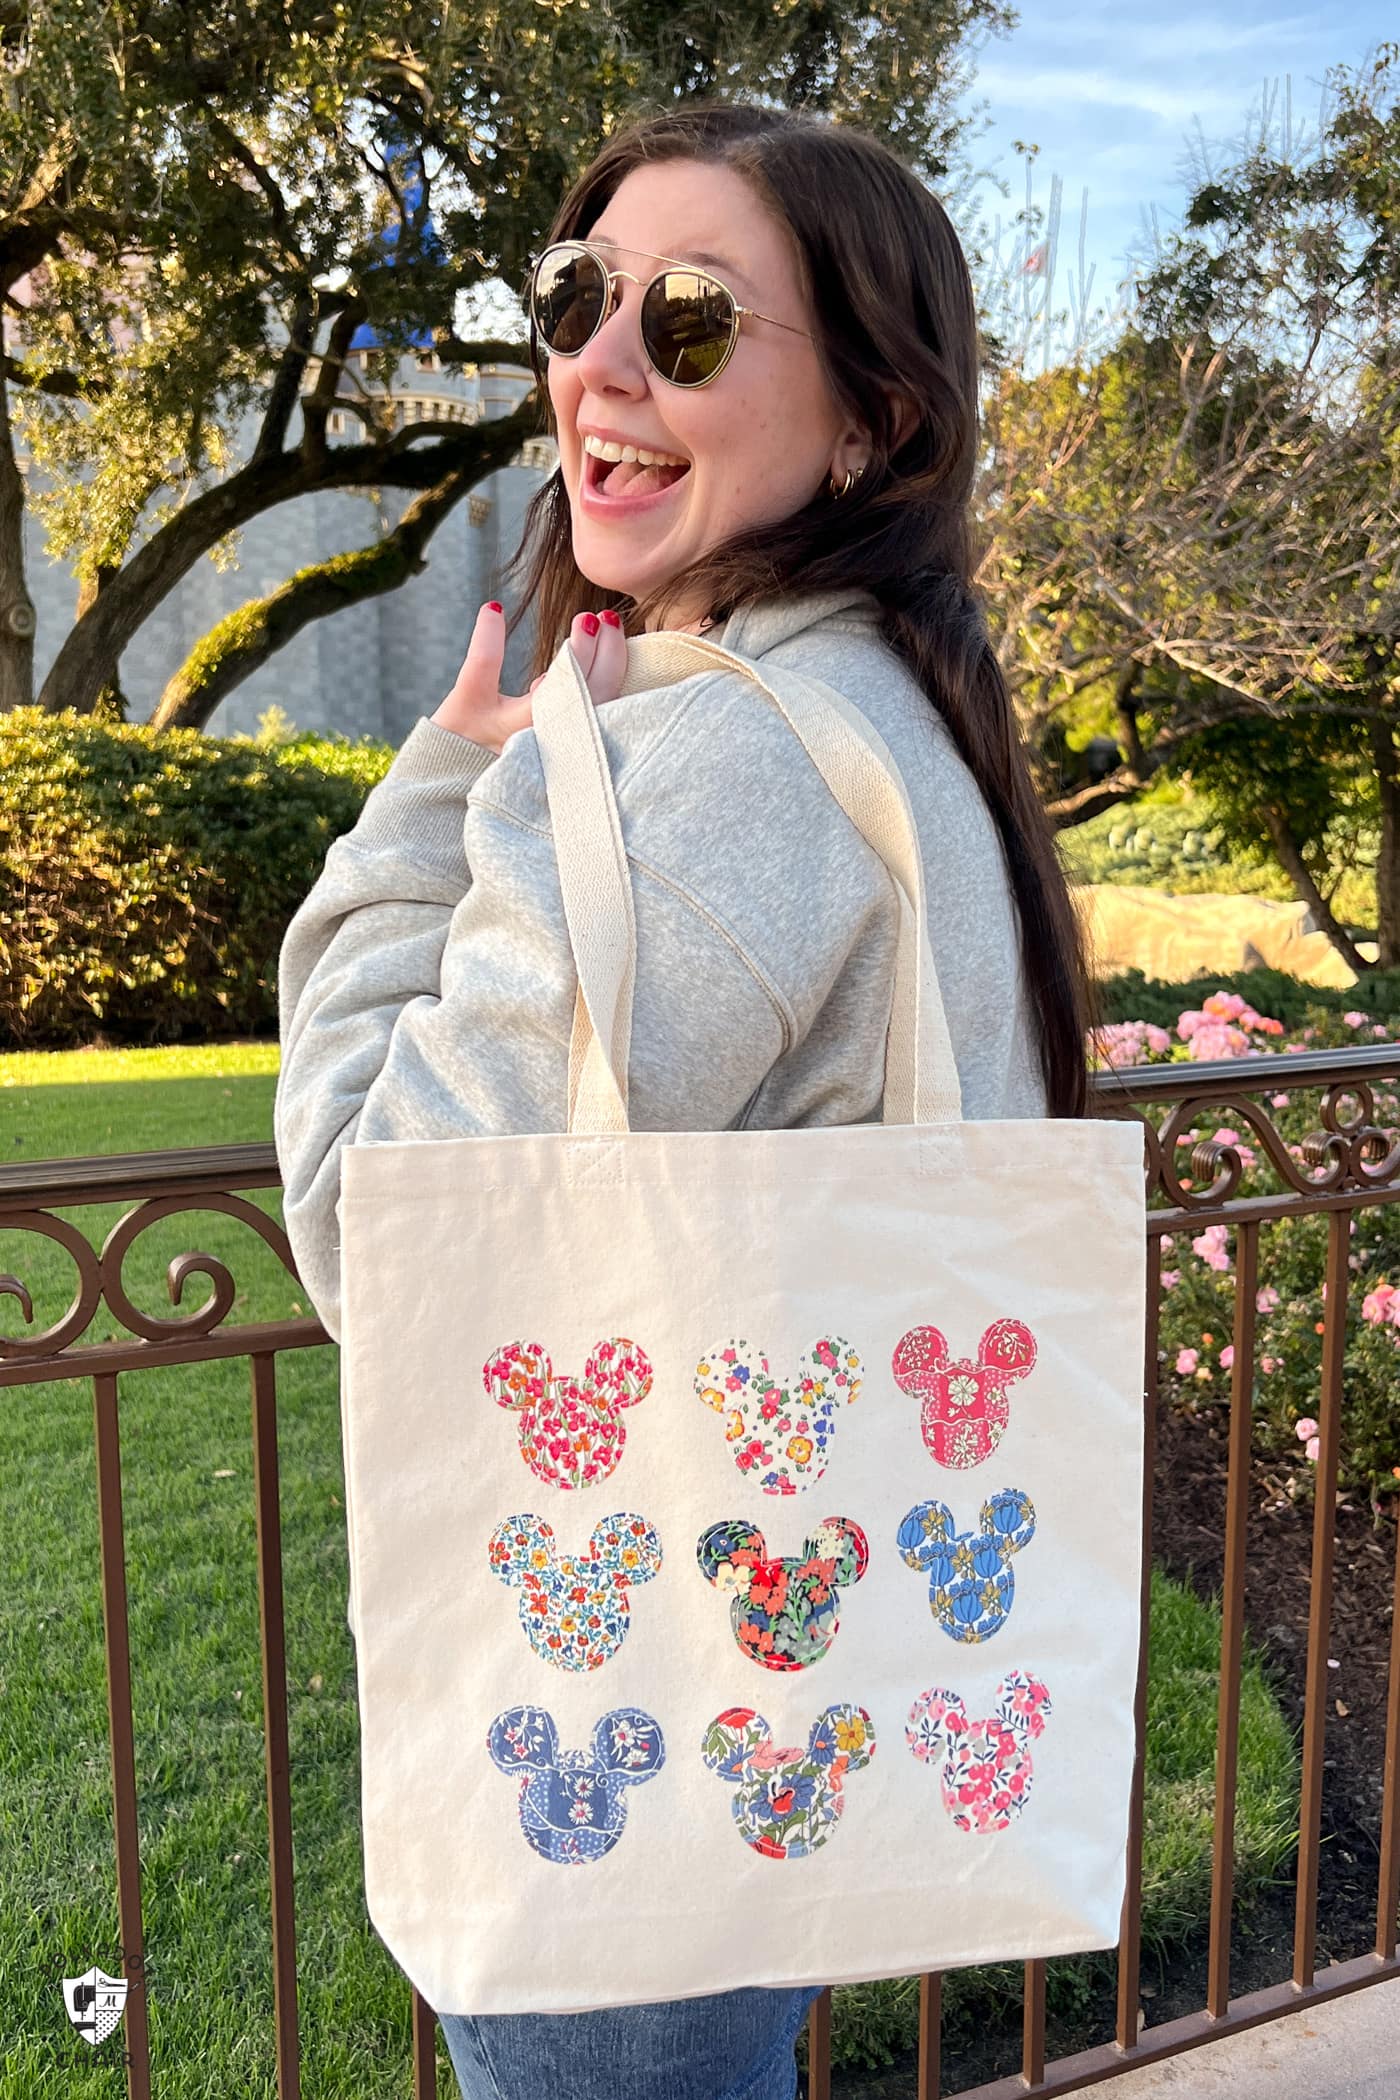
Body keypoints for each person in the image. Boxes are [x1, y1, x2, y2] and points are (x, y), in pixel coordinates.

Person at [273, 97, 1090, 2100]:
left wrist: (441, 793)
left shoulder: (718, 771)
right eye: (578, 297)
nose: (599, 367)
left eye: (697, 324)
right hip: (784, 1709)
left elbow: (378, 1229)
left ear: (877, 427)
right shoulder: (890, 717)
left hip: (626, 1769)